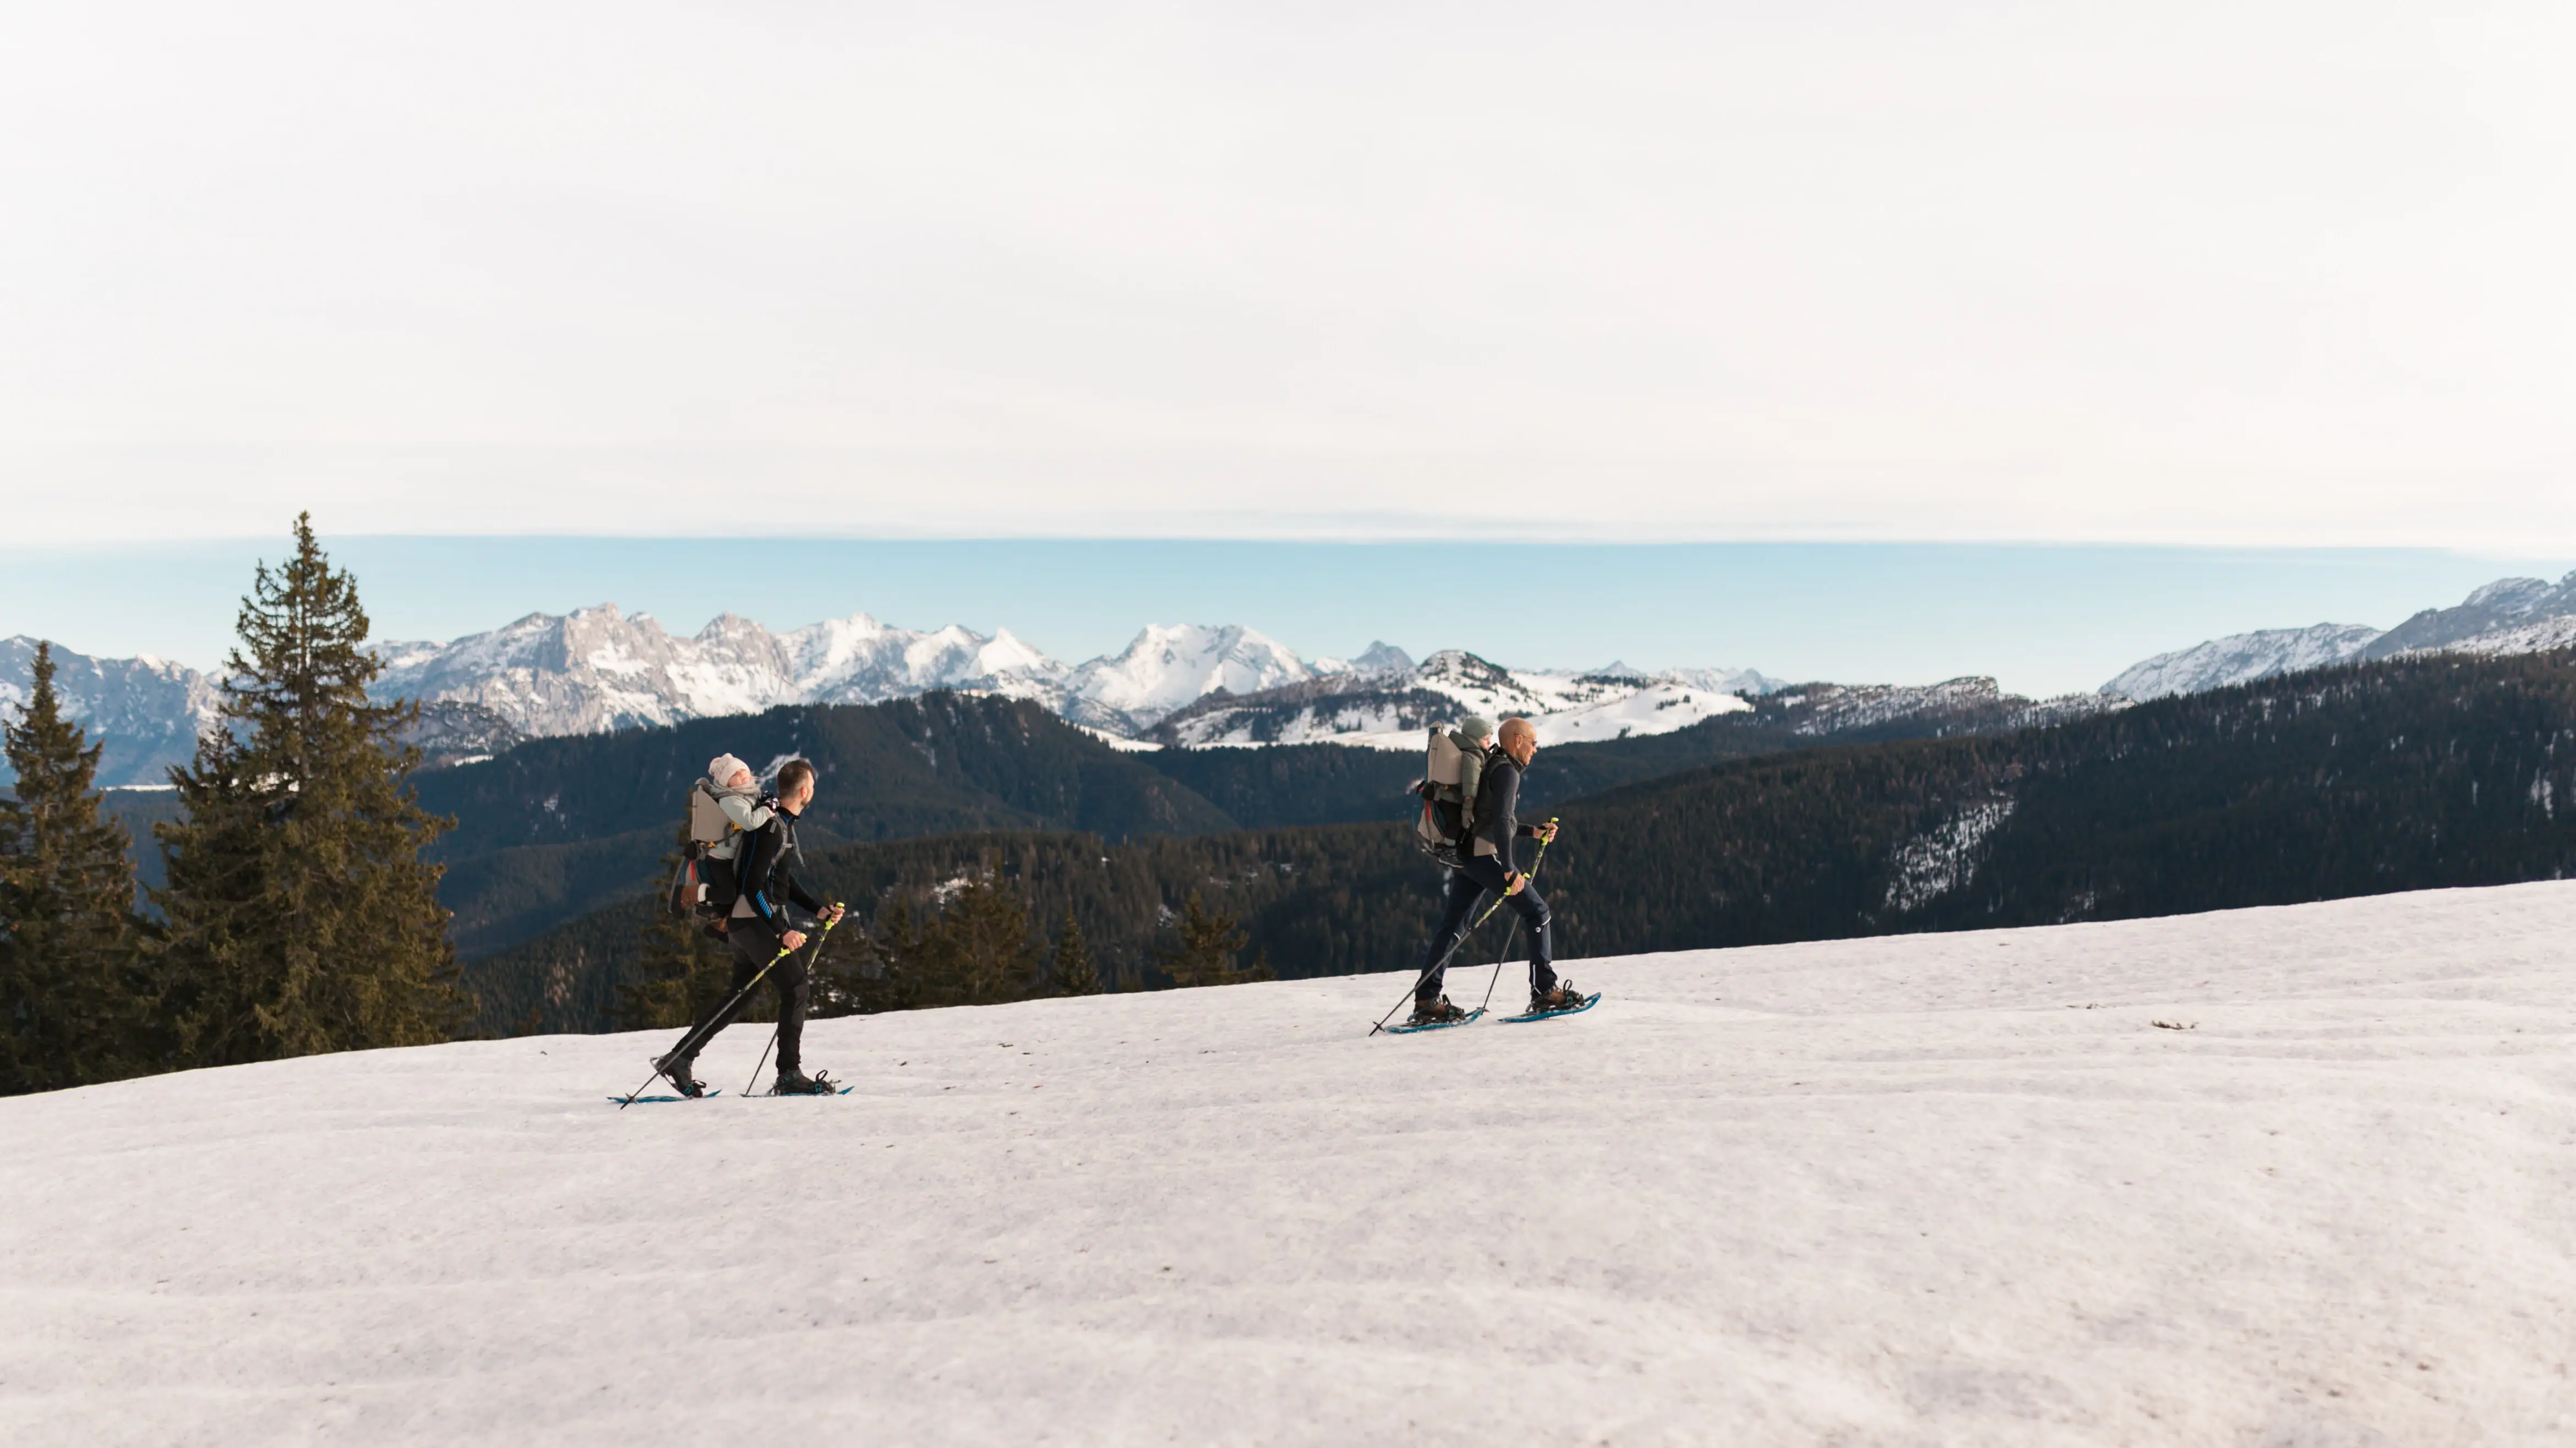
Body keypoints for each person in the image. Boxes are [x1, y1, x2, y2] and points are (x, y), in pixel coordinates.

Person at [658, 757, 845, 1095]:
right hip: (754, 923)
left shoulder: (778, 825)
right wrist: (780, 930)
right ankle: (788, 1074)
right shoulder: (772, 827)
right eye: (813, 786)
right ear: (805, 791)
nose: (813, 791)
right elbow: (752, 885)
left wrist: (818, 910)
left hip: (744, 925)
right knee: (797, 988)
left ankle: (680, 1058)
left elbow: (781, 881)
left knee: (742, 994)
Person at [1411, 717, 1575, 1023]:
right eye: (1533, 742)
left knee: (1454, 926)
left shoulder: (1493, 766)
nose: (1535, 749)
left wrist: (1532, 832)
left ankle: (1426, 1000)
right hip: (1487, 858)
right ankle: (1545, 991)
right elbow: (1500, 822)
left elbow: (1494, 820)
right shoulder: (1507, 772)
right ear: (1517, 740)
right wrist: (1510, 870)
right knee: (1537, 912)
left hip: (1468, 858)